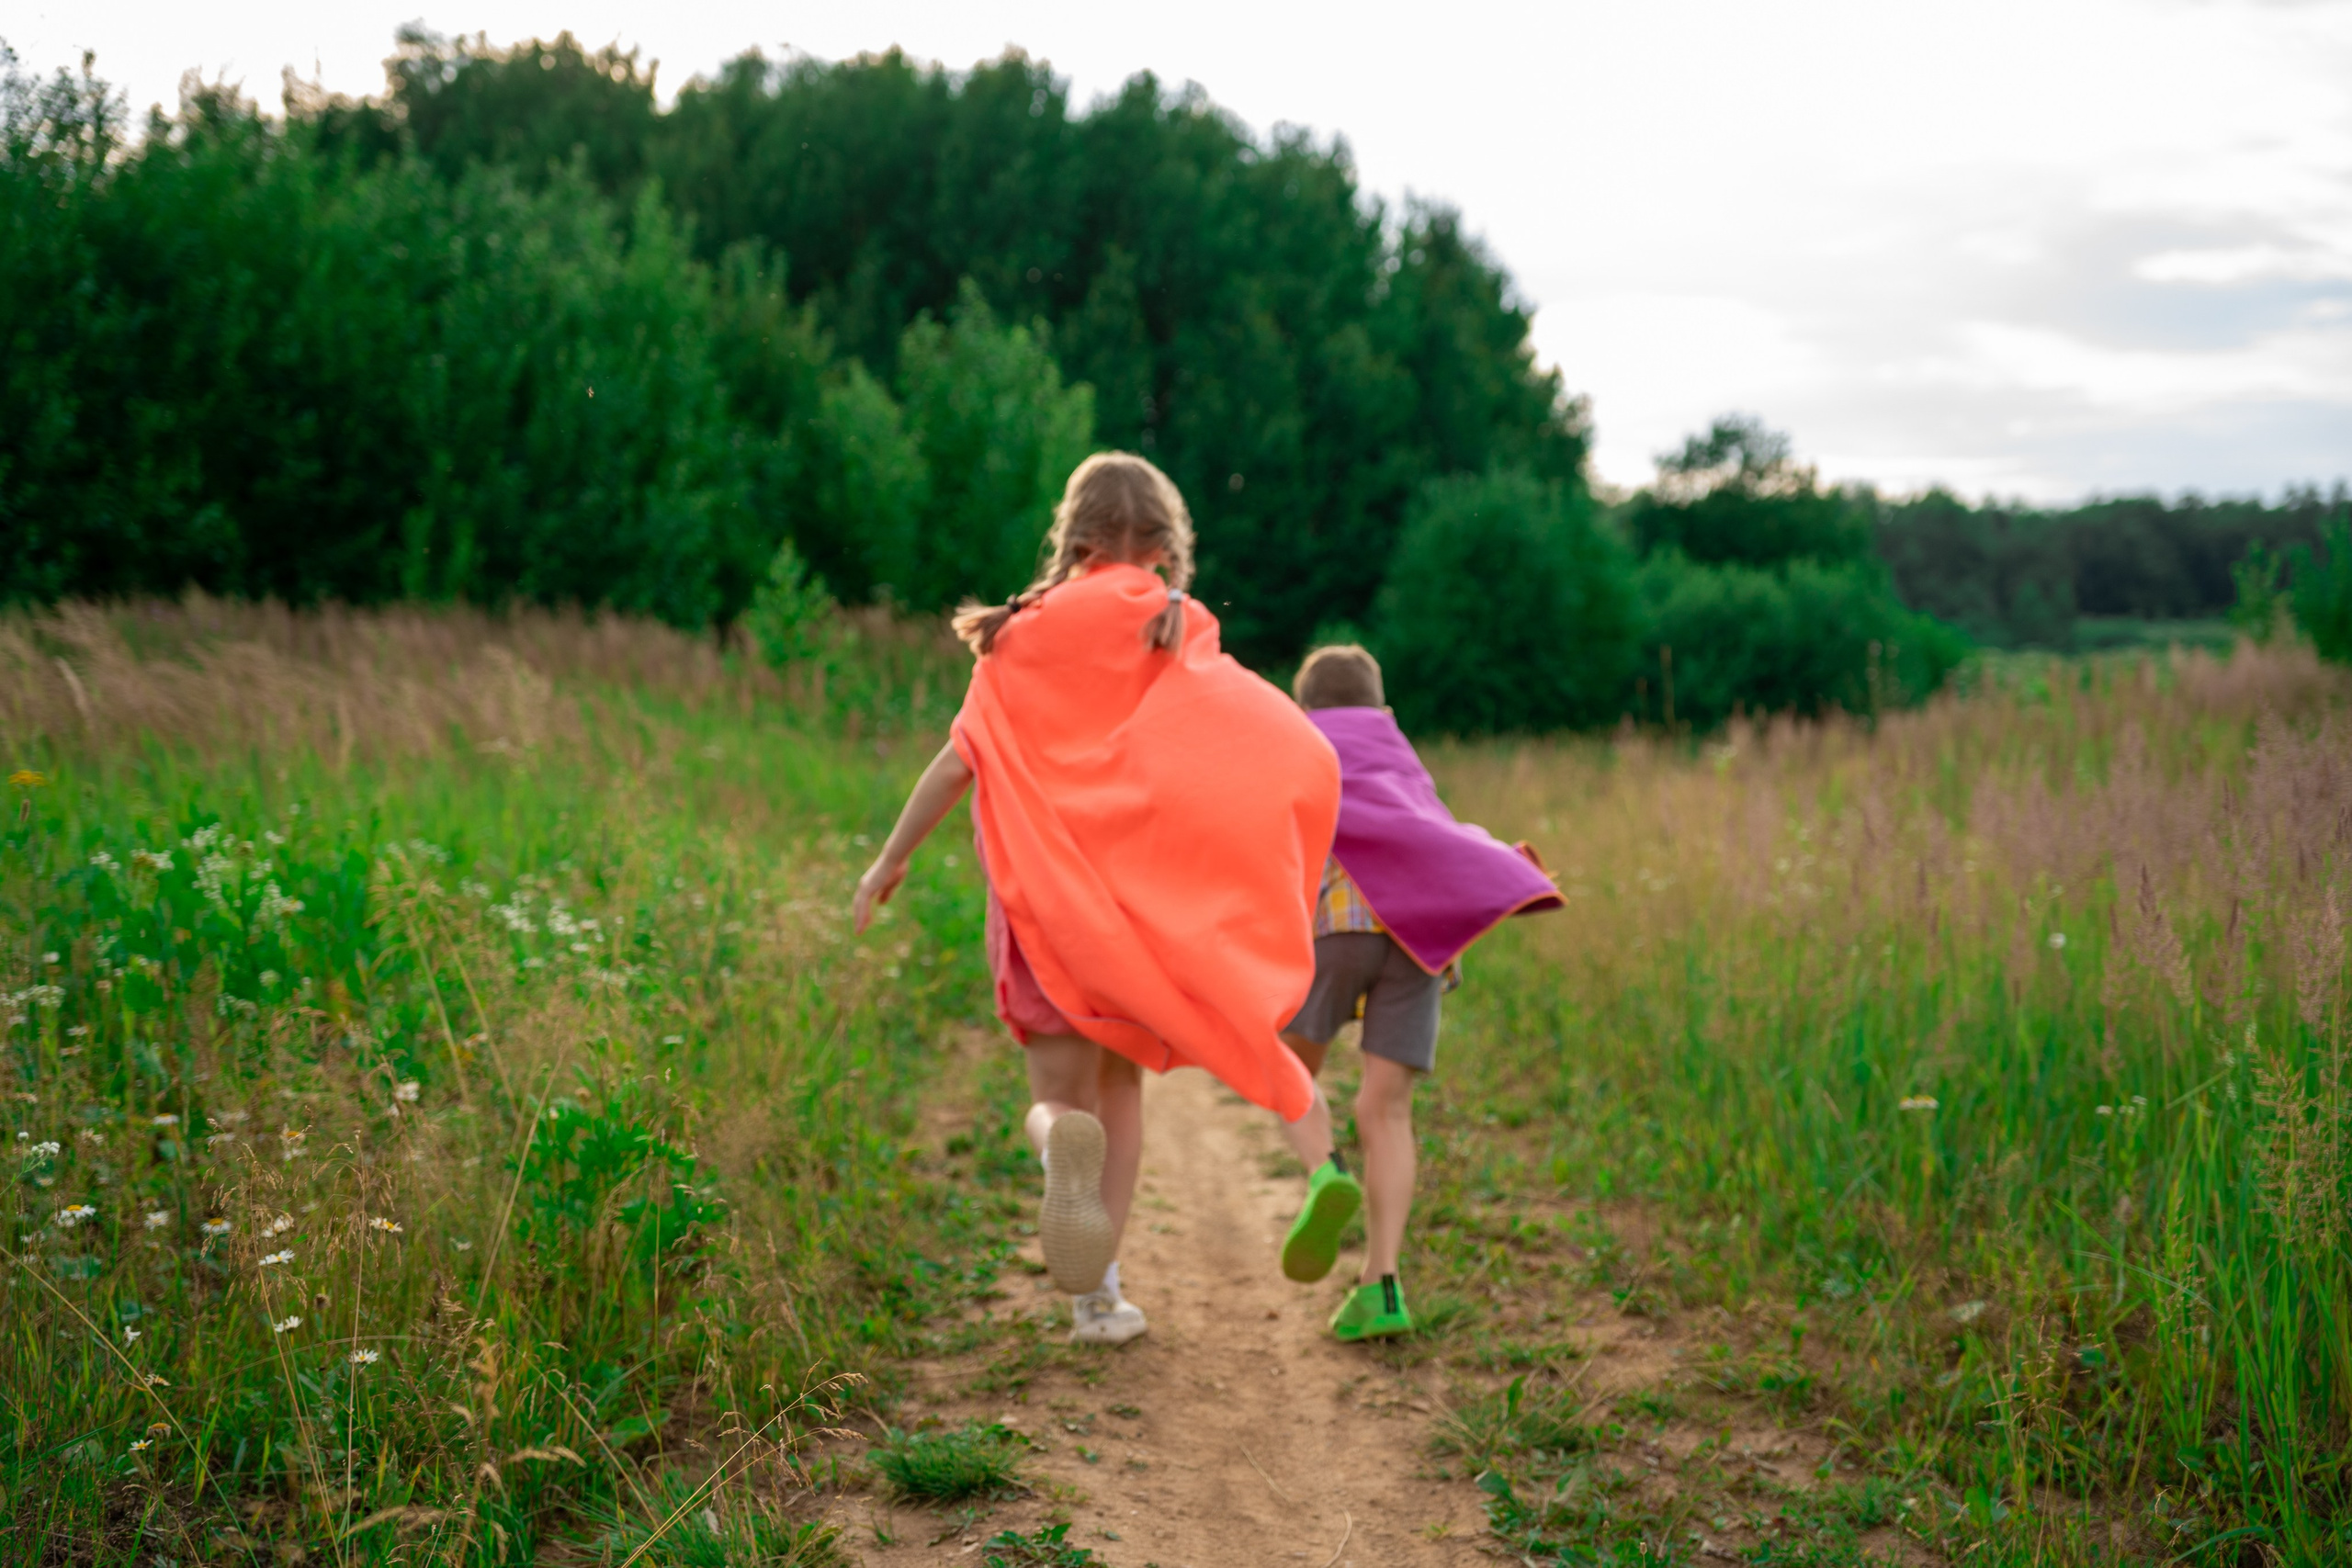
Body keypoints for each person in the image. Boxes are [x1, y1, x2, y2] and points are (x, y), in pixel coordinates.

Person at [852, 452, 1339, 1346]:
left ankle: (1051, 1154)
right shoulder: (1172, 621)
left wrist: (889, 859)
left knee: (1057, 1098)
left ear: (1071, 537)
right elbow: (1213, 755)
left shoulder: (1020, 631)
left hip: (1040, 913)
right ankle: (1102, 1299)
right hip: (1129, 926)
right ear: (1163, 543)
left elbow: (959, 761)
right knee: (1119, 1095)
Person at [1271, 645, 1563, 1341]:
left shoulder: (1298, 741)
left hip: (1336, 922)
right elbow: (1435, 839)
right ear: (1385, 711)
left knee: (1282, 1070)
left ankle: (1324, 1172)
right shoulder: (1403, 757)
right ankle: (1383, 1285)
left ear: (1304, 707)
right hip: (1419, 937)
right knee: (1387, 1109)